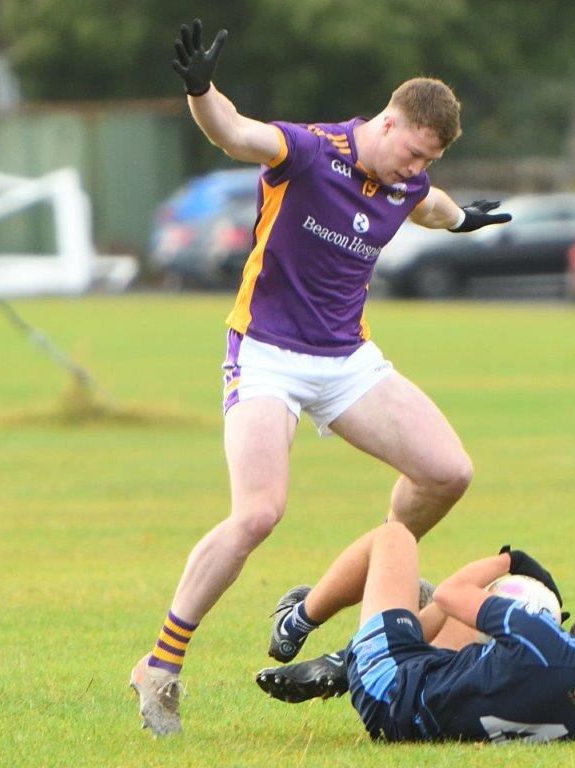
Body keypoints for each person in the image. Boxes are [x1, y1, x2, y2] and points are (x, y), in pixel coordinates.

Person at [130, 19, 513, 736]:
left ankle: (377, 574)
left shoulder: (410, 181)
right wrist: (200, 88)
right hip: (267, 353)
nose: (413, 169)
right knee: (258, 514)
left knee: (448, 472)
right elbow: (235, 135)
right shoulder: (309, 151)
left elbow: (428, 204)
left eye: (428, 160)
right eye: (413, 152)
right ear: (389, 120)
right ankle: (160, 667)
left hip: (345, 361)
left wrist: (462, 221)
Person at [256, 523, 575, 744]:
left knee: (394, 538)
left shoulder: (543, 638)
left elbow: (455, 591)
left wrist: (514, 561)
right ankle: (350, 655)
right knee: (472, 625)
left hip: (391, 689)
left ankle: (297, 623)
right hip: (427, 712)